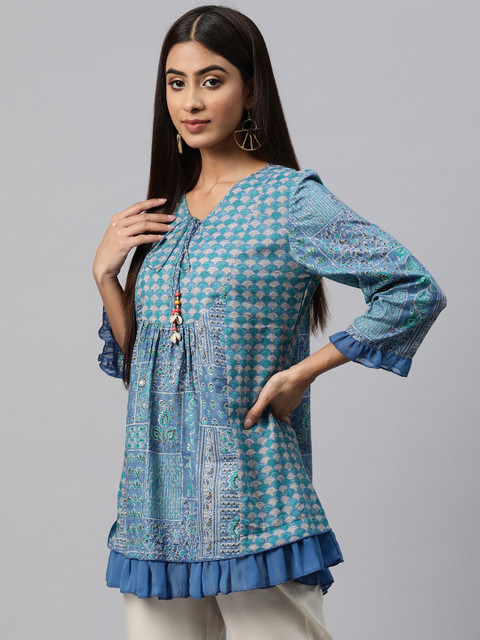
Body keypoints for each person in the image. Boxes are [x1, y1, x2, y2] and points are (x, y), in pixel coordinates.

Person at [92, 5, 447, 639]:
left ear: (251, 91)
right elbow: (142, 363)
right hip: (154, 509)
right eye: (176, 83)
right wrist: (106, 278)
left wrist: (303, 373)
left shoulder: (290, 199)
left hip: (253, 498)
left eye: (212, 80)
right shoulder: (162, 217)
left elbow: (412, 289)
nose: (191, 101)